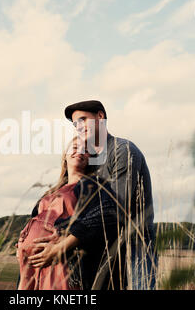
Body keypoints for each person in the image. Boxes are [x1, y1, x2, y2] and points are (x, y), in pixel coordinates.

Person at [64, 99, 157, 290]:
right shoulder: (87, 160)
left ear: (100, 117)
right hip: (100, 246)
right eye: (75, 124)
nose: (79, 127)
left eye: (83, 120)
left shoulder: (122, 150)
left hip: (135, 244)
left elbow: (118, 205)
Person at [16, 136, 119, 290]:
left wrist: (63, 240)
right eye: (75, 147)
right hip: (35, 267)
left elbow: (107, 213)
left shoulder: (93, 185)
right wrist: (22, 244)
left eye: (86, 151)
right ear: (65, 156)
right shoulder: (50, 192)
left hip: (62, 264)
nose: (80, 152)